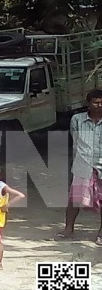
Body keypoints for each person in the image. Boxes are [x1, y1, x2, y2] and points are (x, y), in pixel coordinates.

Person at [56, 90, 102, 242]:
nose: (99, 105)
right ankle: (68, 229)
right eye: (95, 102)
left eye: (101, 102)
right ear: (88, 103)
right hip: (82, 165)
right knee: (74, 199)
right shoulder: (77, 119)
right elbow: (75, 141)